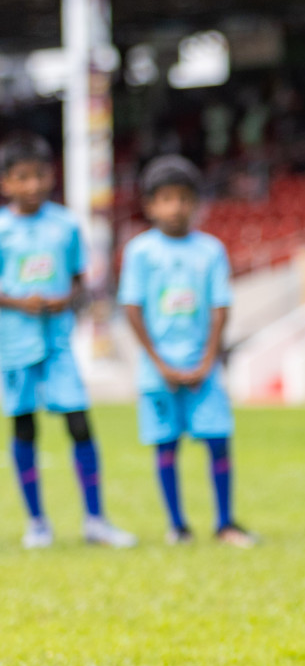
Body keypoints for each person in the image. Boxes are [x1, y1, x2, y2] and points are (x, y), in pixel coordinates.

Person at [0, 133, 136, 549]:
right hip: (15, 346)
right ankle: (37, 522)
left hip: (59, 345)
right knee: (24, 428)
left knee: (79, 423)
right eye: (21, 178)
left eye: (39, 175)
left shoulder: (65, 225)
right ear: (6, 183)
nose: (31, 185)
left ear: (51, 176)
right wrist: (20, 302)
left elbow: (80, 281)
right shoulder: (2, 229)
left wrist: (64, 299)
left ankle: (95, 518)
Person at [119, 155, 256, 546]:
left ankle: (225, 522)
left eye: (182, 198)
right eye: (165, 199)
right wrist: (159, 363)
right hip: (158, 372)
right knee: (166, 444)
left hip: (204, 369)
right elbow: (132, 308)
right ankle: (177, 526)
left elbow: (220, 308)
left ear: (195, 202)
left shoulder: (210, 250)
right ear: (150, 205)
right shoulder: (140, 252)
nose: (175, 207)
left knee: (217, 440)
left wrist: (207, 361)